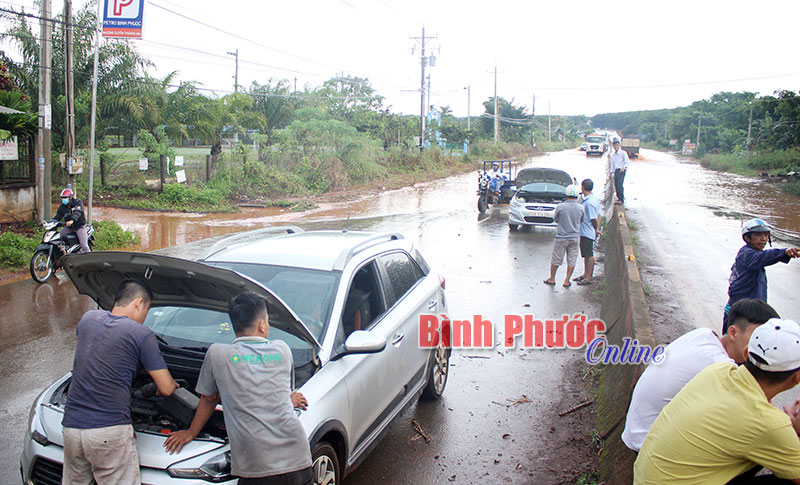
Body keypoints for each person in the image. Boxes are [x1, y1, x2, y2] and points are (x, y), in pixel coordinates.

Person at [164, 291, 313, 485]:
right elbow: (275, 390)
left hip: (258, 466)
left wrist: (191, 432)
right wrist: (287, 400)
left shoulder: (218, 354)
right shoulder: (282, 349)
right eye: (267, 320)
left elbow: (209, 399)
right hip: (298, 457)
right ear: (262, 325)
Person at [634, 318, 800, 484]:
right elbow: (765, 422)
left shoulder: (719, 370)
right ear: (797, 377)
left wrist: (785, 428)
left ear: (746, 352)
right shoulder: (769, 425)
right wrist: (794, 432)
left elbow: (759, 414)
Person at [622, 298, 779, 452]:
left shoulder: (704, 334)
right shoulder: (721, 366)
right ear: (733, 332)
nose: (763, 346)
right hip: (648, 444)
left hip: (636, 430)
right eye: (758, 337)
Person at [62, 279, 178, 485]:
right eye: (147, 310)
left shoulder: (88, 319)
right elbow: (167, 389)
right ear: (138, 303)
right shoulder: (141, 334)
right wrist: (175, 385)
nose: (145, 317)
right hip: (108, 431)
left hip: (71, 428)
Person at [723, 218, 799, 333]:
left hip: (749, 309)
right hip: (741, 311)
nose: (763, 239)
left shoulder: (752, 254)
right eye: (758, 235)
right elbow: (764, 257)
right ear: (747, 238)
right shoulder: (747, 254)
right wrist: (783, 252)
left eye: (765, 235)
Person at [544, 184, 584, 288]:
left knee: (556, 258)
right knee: (572, 259)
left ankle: (552, 278)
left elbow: (556, 219)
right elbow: (581, 220)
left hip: (561, 236)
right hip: (574, 237)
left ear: (566, 194)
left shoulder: (561, 207)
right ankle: (567, 280)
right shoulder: (581, 208)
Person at [574, 179, 601, 285]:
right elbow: (599, 215)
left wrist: (596, 229)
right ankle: (585, 274)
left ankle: (589, 277)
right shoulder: (593, 199)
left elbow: (593, 218)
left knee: (589, 254)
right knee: (585, 253)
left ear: (582, 187)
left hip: (587, 231)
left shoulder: (589, 203)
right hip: (587, 231)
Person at [52, 187, 90, 253]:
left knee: (84, 245)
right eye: (62, 198)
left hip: (79, 227)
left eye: (65, 197)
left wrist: (72, 220)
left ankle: (90, 259)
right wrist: (49, 222)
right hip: (69, 227)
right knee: (58, 236)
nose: (63, 199)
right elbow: (57, 217)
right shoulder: (62, 207)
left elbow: (77, 213)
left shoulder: (77, 202)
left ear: (70, 197)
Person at [609, 140, 629, 205]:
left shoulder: (623, 153)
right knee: (616, 185)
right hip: (616, 171)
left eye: (617, 145)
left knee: (620, 185)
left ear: (619, 145)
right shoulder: (613, 155)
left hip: (621, 171)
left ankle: (621, 199)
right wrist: (611, 172)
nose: (616, 146)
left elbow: (627, 161)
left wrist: (624, 168)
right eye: (615, 145)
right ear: (613, 146)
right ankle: (618, 198)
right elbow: (612, 164)